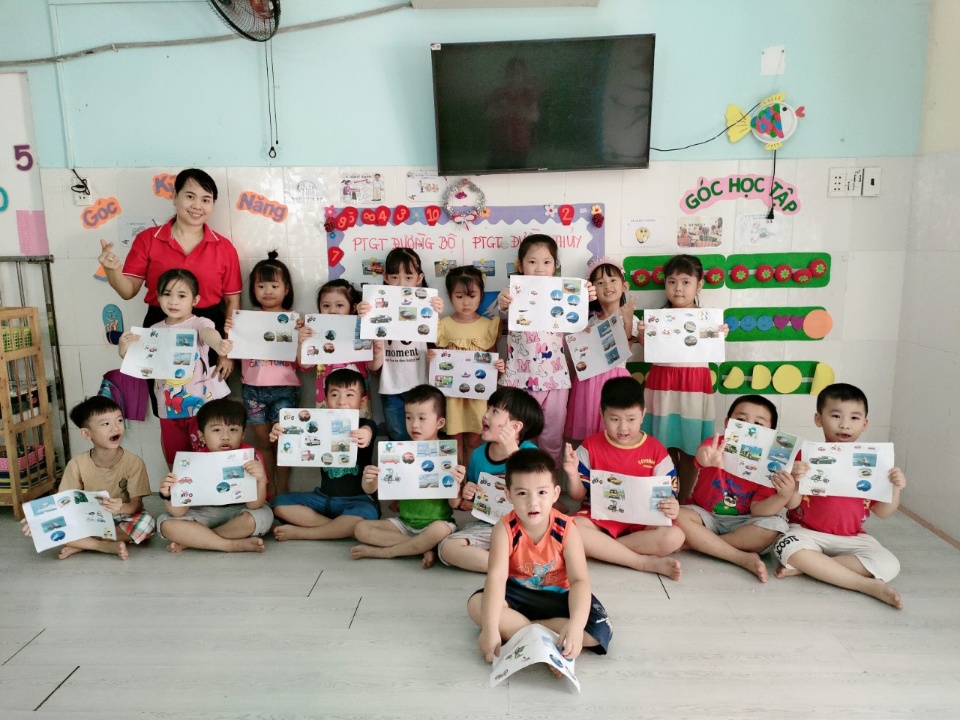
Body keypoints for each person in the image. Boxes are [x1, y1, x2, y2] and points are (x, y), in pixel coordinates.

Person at [468, 448, 612, 664]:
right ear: (508, 495)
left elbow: (579, 581)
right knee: (476, 605)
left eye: (542, 492)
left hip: (560, 597)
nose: (532, 502)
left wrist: (575, 626)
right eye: (522, 493)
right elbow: (496, 579)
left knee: (596, 632)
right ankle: (544, 638)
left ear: (555, 493)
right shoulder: (504, 529)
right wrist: (489, 629)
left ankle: (526, 632)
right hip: (518, 593)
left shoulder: (567, 528)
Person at [98, 168, 241, 381]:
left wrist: (227, 352)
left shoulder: (224, 247)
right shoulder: (148, 239)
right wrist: (112, 271)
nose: (197, 206)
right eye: (190, 196)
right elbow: (128, 291)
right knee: (164, 394)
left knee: (208, 397)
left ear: (213, 204)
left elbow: (233, 303)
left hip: (209, 330)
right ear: (175, 197)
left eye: (205, 200)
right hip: (160, 326)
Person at [774, 383, 906, 608]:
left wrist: (895, 489)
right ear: (819, 419)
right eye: (836, 416)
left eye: (854, 418)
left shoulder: (873, 462)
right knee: (785, 545)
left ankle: (813, 567)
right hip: (806, 532)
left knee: (890, 564)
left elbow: (883, 512)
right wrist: (795, 481)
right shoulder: (804, 456)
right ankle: (865, 585)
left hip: (852, 537)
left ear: (865, 424)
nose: (845, 424)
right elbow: (791, 504)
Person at [564, 376, 684, 580]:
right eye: (614, 419)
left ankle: (602, 549)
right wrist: (572, 473)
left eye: (631, 419)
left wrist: (673, 505)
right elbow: (577, 495)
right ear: (602, 414)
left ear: (643, 415)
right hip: (600, 519)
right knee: (571, 528)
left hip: (643, 523)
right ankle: (641, 561)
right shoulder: (589, 447)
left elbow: (669, 497)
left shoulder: (657, 451)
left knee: (675, 537)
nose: (623, 428)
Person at [496, 234, 595, 466]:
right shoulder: (512, 292)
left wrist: (586, 296)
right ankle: (516, 481)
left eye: (546, 262)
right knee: (516, 439)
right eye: (532, 262)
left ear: (554, 266)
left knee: (551, 439)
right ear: (521, 265)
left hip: (555, 378)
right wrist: (503, 301)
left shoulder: (563, 292)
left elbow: (578, 316)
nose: (539, 268)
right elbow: (503, 308)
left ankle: (551, 483)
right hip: (519, 379)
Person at [676, 395, 798, 582]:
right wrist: (707, 457)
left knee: (777, 526)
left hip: (744, 522)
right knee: (676, 513)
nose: (749, 428)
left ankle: (701, 544)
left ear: (771, 433)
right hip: (704, 515)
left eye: (758, 424)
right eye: (741, 420)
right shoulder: (716, 443)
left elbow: (759, 511)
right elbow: (702, 455)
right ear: (727, 423)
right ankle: (739, 557)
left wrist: (783, 496)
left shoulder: (772, 463)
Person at [118, 269, 232, 467]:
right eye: (167, 294)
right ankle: (178, 487)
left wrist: (218, 343)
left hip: (200, 409)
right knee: (176, 460)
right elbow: (141, 364)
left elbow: (208, 333)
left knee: (205, 459)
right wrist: (123, 350)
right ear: (158, 297)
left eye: (181, 296)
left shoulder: (199, 323)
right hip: (167, 409)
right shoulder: (154, 330)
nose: (173, 301)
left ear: (195, 300)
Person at [20, 396, 155, 560]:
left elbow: (136, 505)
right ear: (86, 433)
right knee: (45, 528)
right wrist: (39, 520)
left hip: (122, 516)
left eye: (119, 420)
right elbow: (62, 502)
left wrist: (120, 508)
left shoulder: (134, 462)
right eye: (106, 424)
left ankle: (82, 544)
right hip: (89, 518)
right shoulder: (76, 464)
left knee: (147, 523)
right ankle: (101, 545)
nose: (115, 428)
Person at [351, 385, 465, 568]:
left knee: (440, 530)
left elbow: (454, 504)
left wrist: (457, 485)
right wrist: (369, 479)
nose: (414, 425)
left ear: (440, 423)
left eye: (422, 418)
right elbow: (374, 489)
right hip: (404, 524)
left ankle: (386, 552)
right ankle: (422, 547)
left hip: (437, 524)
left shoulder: (446, 455)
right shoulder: (398, 452)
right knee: (360, 528)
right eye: (409, 417)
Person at [639, 254, 723, 501]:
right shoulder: (656, 318)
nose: (678, 288)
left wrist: (719, 334)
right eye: (672, 281)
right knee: (661, 444)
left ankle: (684, 499)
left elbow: (712, 348)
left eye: (686, 282)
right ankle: (665, 498)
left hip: (694, 384)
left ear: (699, 285)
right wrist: (644, 336)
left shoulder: (707, 319)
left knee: (691, 444)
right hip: (662, 382)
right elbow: (646, 349)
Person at [438, 387, 543, 572]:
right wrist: (468, 492)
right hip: (490, 526)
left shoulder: (529, 453)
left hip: (525, 527)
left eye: (494, 411)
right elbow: (472, 500)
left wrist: (512, 451)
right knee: (447, 547)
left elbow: (536, 490)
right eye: (488, 408)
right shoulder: (478, 455)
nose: (485, 415)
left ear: (515, 427)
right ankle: (515, 567)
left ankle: (518, 560)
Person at [270, 369, 379, 541]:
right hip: (323, 498)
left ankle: (306, 533)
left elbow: (369, 430)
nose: (342, 401)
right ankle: (339, 528)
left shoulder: (365, 424)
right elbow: (297, 435)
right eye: (335, 395)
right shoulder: (317, 424)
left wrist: (365, 433)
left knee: (365, 514)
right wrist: (281, 433)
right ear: (326, 400)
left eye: (350, 395)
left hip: (357, 500)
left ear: (362, 401)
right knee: (279, 503)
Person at [228, 252, 302, 496]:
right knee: (263, 443)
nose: (267, 291)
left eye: (274, 286)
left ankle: (283, 490)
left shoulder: (294, 321)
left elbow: (304, 364)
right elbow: (234, 351)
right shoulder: (244, 320)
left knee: (283, 443)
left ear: (286, 289)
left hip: (285, 389)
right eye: (261, 286)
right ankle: (267, 488)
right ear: (253, 289)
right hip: (252, 390)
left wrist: (302, 338)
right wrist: (230, 332)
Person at [156, 398, 273, 553]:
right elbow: (179, 512)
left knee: (262, 516)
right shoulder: (191, 462)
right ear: (202, 436)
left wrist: (261, 480)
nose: (225, 437)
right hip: (203, 512)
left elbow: (254, 505)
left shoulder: (251, 458)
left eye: (233, 430)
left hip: (238, 510)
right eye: (217, 430)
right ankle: (229, 545)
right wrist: (168, 496)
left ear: (243, 433)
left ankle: (197, 540)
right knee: (165, 524)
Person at [357, 248, 443, 441]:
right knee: (397, 440)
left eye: (408, 277)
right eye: (395, 277)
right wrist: (362, 314)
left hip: (422, 387)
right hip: (391, 388)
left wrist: (436, 312)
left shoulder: (427, 306)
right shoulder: (375, 307)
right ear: (386, 277)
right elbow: (373, 365)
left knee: (425, 439)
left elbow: (440, 341)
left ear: (419, 278)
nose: (401, 284)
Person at [565, 256, 638, 442]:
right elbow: (579, 353)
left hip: (615, 382)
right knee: (588, 434)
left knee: (613, 431)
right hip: (588, 382)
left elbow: (625, 348)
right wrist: (581, 334)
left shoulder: (630, 317)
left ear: (625, 286)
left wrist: (628, 322)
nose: (607, 285)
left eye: (613, 280)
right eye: (600, 282)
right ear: (592, 290)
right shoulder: (589, 321)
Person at [436, 266, 501, 465]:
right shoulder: (442, 325)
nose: (466, 302)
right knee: (453, 439)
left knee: (474, 439)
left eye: (472, 296)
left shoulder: (488, 325)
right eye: (459, 296)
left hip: (478, 394)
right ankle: (457, 480)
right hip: (452, 395)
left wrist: (498, 367)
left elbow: (492, 358)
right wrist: (432, 357)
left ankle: (471, 479)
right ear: (450, 296)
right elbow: (438, 361)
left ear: (481, 295)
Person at [300, 278, 379, 420]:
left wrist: (379, 348)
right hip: (328, 401)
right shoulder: (316, 333)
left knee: (361, 431)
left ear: (353, 308)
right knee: (327, 431)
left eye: (340, 305)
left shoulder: (360, 332)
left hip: (356, 402)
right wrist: (301, 342)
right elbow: (304, 364)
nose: (332, 311)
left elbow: (373, 367)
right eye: (326, 306)